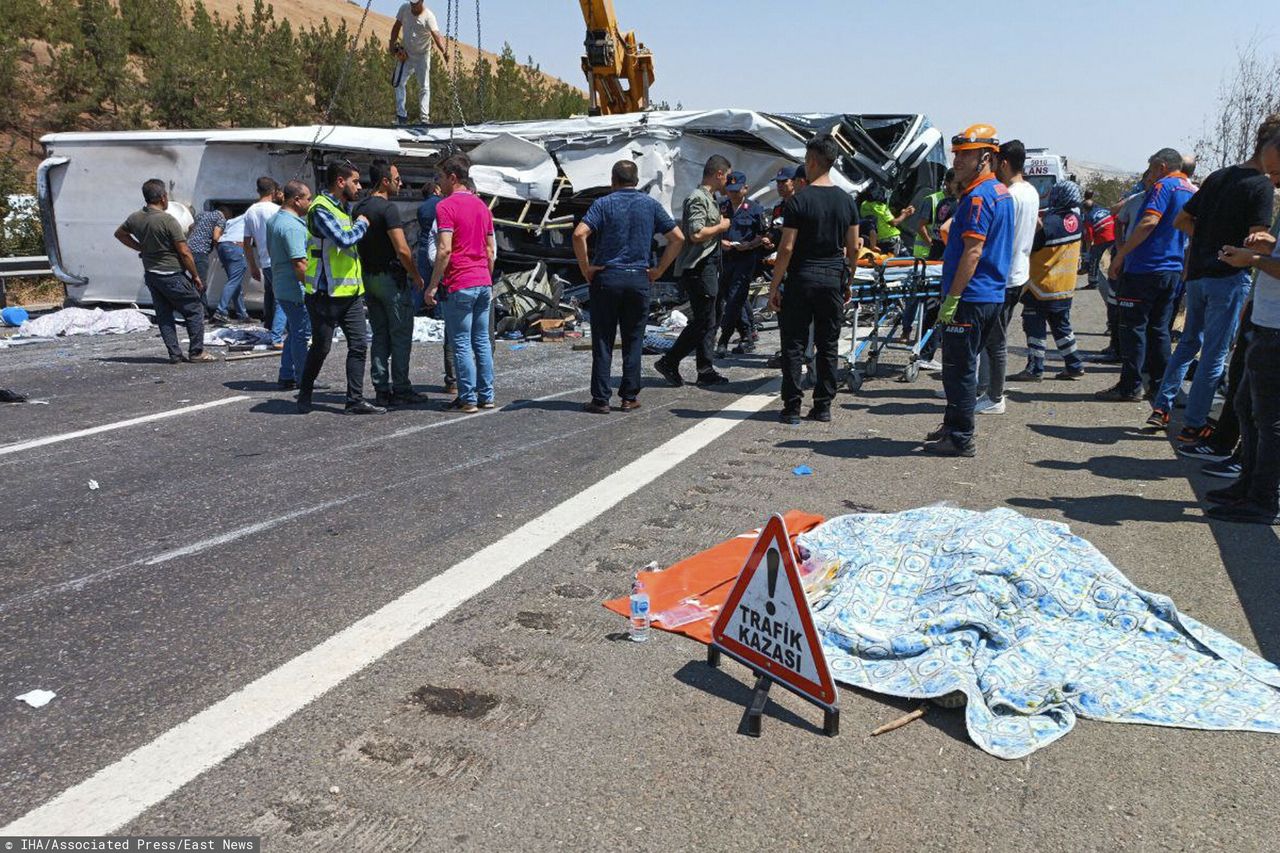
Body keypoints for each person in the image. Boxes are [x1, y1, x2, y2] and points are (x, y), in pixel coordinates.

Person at [1146, 118, 1277, 438]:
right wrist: (1264, 245)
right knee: (1215, 354)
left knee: (1187, 344)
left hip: (1198, 274)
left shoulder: (1219, 176)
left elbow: (1182, 220)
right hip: (1229, 276)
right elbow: (1256, 239)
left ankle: (1162, 407)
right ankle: (1194, 423)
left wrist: (1206, 239)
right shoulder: (1260, 186)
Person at [922, 124, 1014, 457]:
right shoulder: (1001, 193)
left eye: (965, 155)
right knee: (961, 365)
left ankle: (961, 437)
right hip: (990, 295)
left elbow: (973, 251)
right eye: (957, 155)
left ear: (986, 157)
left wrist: (952, 298)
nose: (957, 161)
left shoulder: (979, 197)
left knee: (958, 370)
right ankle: (952, 425)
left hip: (971, 297)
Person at [573, 159, 685, 413]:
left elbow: (579, 234)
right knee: (634, 339)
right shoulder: (650, 205)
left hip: (608, 277)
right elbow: (677, 238)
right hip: (638, 278)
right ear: (636, 181)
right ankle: (629, 396)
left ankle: (601, 399)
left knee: (603, 339)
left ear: (613, 181)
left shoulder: (603, 204)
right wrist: (658, 270)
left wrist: (586, 268)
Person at [1209, 132, 1280, 525]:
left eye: (1275, 171)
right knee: (1246, 408)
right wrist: (1264, 246)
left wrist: (1251, 259)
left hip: (1276, 329)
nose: (1271, 181)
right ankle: (1248, 487)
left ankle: (1265, 500)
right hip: (1265, 321)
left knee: (1268, 419)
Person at [767, 135, 860, 424]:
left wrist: (774, 285)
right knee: (828, 343)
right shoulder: (847, 201)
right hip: (832, 277)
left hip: (801, 278)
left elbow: (787, 248)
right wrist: (848, 279)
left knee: (794, 343)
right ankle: (823, 406)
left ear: (812, 161)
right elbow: (854, 247)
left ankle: (792, 407)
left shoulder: (797, 202)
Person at [1097, 149, 1195, 402]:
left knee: (1133, 328)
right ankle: (1160, 386)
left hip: (1145, 268)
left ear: (1161, 166)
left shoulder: (1164, 186)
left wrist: (1121, 254)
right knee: (1159, 329)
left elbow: (1149, 221)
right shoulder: (1190, 189)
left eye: (1151, 170)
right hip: (1171, 270)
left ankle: (1130, 386)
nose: (1150, 176)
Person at [298, 161, 382, 415]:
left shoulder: (343, 209)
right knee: (321, 347)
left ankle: (354, 400)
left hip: (351, 294)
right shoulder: (321, 209)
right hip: (325, 295)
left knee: (358, 345)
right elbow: (344, 240)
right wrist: (363, 224)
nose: (359, 187)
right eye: (355, 181)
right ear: (340, 182)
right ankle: (305, 393)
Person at [353, 159, 428, 407]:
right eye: (397, 179)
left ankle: (381, 388)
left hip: (368, 277)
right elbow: (403, 249)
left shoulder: (360, 207)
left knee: (380, 334)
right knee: (400, 334)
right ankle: (402, 387)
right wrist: (416, 276)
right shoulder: (388, 209)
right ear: (385, 181)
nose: (401, 183)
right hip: (390, 278)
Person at [113, 179, 214, 364]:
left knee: (164, 314)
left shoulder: (135, 218)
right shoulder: (168, 221)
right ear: (162, 197)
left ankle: (174, 354)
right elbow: (184, 252)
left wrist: (140, 248)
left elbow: (119, 234)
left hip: (152, 274)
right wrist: (196, 276)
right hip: (172, 273)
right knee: (194, 309)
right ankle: (196, 352)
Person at [654, 155, 733, 388]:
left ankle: (705, 369)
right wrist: (721, 226)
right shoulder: (697, 198)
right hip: (699, 268)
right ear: (719, 174)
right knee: (702, 321)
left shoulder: (711, 198)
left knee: (712, 318)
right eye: (727, 176)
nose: (728, 181)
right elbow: (696, 234)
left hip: (710, 265)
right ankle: (670, 361)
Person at [426, 157, 496, 414]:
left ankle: (467, 397)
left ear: (453, 177)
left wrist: (433, 285)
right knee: (482, 341)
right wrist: (487, 277)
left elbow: (444, 249)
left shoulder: (446, 207)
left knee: (462, 342)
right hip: (482, 281)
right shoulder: (482, 207)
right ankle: (486, 395)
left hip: (460, 281)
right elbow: (490, 251)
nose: (439, 184)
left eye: (441, 178)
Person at [976, 140, 1038, 414]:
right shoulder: (1031, 191)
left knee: (995, 340)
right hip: (1019, 271)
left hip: (1003, 275)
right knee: (991, 336)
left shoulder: (1009, 195)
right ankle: (984, 388)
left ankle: (994, 395)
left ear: (1003, 163)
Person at [1012, 181, 1087, 381]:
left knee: (1034, 326)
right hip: (1065, 286)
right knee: (1062, 327)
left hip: (1040, 284)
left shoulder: (1050, 222)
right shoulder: (1077, 220)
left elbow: (1030, 246)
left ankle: (1035, 369)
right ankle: (1074, 364)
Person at [265, 180, 314, 390]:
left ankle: (287, 374)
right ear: (297, 200)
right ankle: (304, 378)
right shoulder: (292, 226)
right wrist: (314, 289)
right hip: (296, 289)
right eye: (308, 199)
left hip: (282, 285)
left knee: (294, 332)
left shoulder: (275, 219)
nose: (310, 203)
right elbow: (300, 264)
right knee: (302, 334)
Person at [716, 171, 769, 356]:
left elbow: (763, 235)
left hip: (745, 259)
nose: (733, 194)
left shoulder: (754, 209)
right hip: (725, 258)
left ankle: (724, 339)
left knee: (735, 297)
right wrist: (721, 242)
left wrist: (749, 245)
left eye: (736, 190)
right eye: (730, 190)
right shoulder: (721, 207)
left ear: (745, 188)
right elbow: (714, 230)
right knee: (729, 295)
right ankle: (747, 333)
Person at [388, 0, 448, 124]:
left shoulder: (429, 17)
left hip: (422, 56)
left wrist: (444, 51)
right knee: (398, 82)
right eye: (411, 4)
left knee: (424, 87)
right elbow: (396, 27)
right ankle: (401, 116)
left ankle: (424, 119)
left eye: (415, 4)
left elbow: (436, 35)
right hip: (407, 54)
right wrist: (392, 45)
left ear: (421, 2)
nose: (413, 7)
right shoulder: (404, 9)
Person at [242, 176, 285, 348]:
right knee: (282, 298)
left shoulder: (250, 211)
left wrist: (252, 265)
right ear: (274, 191)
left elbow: (246, 243)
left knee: (270, 294)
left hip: (264, 260)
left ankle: (269, 326)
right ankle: (277, 336)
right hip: (280, 259)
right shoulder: (277, 210)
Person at [212, 208, 249, 324]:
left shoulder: (233, 221)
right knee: (234, 281)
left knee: (235, 282)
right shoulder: (252, 217)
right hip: (235, 246)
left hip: (223, 246)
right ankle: (221, 311)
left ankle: (242, 314)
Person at [186, 206, 226, 308]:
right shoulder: (221, 218)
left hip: (188, 249)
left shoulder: (202, 215)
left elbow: (190, 227)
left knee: (196, 282)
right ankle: (197, 311)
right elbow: (216, 237)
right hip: (200, 252)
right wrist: (222, 255)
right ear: (227, 212)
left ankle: (203, 310)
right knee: (200, 283)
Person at [859, 186, 914, 257]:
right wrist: (905, 214)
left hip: (879, 241)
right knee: (907, 261)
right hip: (891, 240)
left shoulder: (864, 205)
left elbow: (880, 217)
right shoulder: (880, 207)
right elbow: (894, 223)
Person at [1082, 191, 1116, 291]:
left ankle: (1093, 283)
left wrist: (1088, 253)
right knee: (1114, 257)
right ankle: (1114, 280)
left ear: (1084, 209)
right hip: (1114, 235)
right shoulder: (1103, 210)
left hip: (1103, 238)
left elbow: (1089, 238)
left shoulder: (1088, 217)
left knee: (1094, 258)